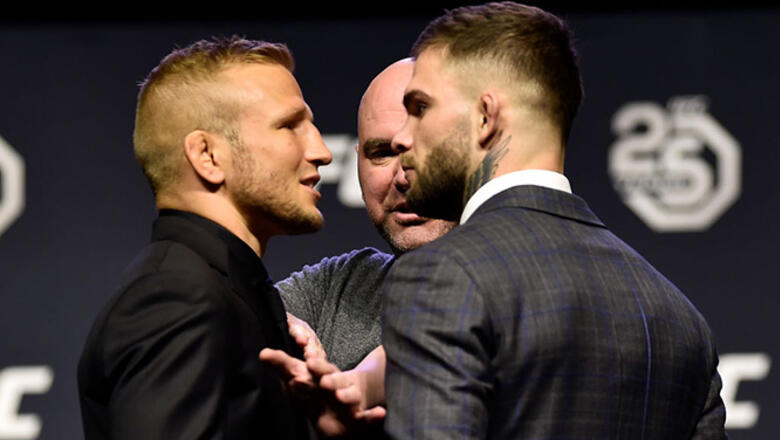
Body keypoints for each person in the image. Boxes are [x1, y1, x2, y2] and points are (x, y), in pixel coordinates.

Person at [382, 3, 728, 439]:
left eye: (419, 107)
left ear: (485, 117)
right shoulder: (681, 320)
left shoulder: (440, 277)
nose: (402, 136)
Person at [77, 36, 331, 440]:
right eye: (289, 126)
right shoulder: (177, 298)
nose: (321, 150)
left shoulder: (222, 291)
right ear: (207, 156)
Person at [260, 59, 455, 435]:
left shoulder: (536, 291)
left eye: (428, 147)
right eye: (381, 152)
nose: (403, 177)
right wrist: (262, 317)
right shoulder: (338, 286)